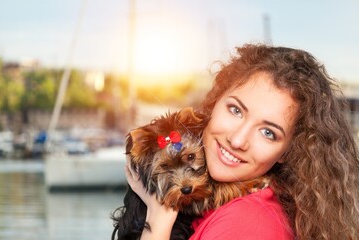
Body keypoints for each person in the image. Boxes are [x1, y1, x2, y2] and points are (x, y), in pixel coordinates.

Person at [125, 44, 359, 239]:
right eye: (236, 110)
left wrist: (157, 221)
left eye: (268, 132)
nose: (237, 140)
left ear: (288, 151)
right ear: (216, 102)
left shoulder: (241, 225)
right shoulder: (235, 204)